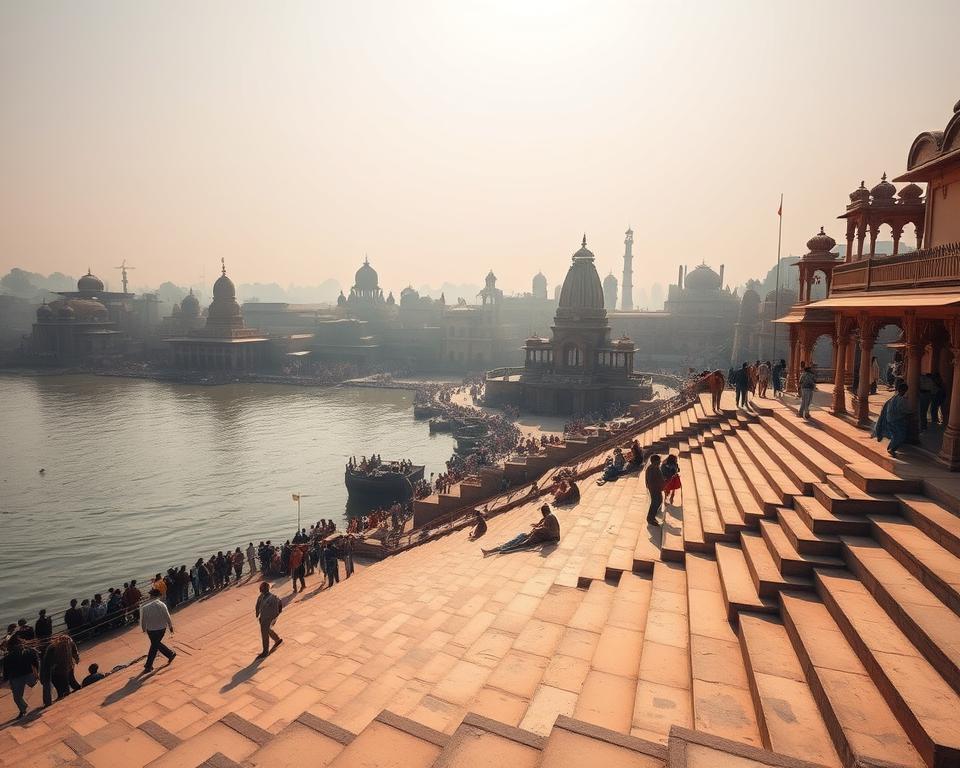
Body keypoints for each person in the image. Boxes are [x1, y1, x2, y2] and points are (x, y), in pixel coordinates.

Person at [481, 504, 560, 556]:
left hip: (549, 537)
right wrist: (536, 525)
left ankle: (501, 550)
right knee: (520, 537)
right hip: (543, 535)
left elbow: (545, 528)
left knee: (521, 544)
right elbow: (543, 524)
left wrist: (536, 529)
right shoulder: (549, 516)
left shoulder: (549, 517)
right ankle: (495, 549)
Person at [2, 635, 39, 719]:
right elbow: (35, 662)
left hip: (16, 677)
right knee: (34, 683)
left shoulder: (8, 656)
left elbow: (6, 669)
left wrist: (6, 680)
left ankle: (23, 709)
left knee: (17, 697)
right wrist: (37, 672)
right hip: (28, 674)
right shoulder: (28, 651)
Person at [140, 588, 176, 673]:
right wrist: (170, 627)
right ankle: (170, 654)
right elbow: (167, 616)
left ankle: (148, 666)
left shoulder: (145, 607)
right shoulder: (162, 605)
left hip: (151, 630)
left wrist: (143, 628)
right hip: (161, 629)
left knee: (154, 645)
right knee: (155, 644)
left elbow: (143, 620)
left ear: (152, 596)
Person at [41, 634, 81, 705]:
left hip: (59, 668)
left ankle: (63, 694)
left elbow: (48, 661)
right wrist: (76, 658)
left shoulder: (52, 647)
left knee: (60, 682)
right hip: (69, 665)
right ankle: (74, 688)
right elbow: (75, 651)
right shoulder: (69, 642)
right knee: (70, 679)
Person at [874, 381, 910, 457]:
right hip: (895, 420)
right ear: (903, 391)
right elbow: (901, 410)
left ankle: (892, 448)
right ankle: (891, 448)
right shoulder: (900, 399)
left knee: (896, 435)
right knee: (900, 435)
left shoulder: (895, 397)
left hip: (891, 419)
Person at [254, 582, 283, 658]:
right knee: (267, 630)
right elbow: (257, 605)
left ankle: (265, 651)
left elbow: (279, 605)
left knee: (264, 634)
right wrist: (257, 613)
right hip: (263, 618)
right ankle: (277, 639)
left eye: (261, 589)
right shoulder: (261, 596)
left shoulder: (272, 597)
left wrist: (274, 617)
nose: (261, 590)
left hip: (268, 618)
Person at [646, 454, 665, 524]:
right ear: (654, 462)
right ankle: (650, 518)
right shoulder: (651, 469)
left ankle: (652, 516)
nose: (660, 462)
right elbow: (651, 481)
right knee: (655, 503)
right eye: (658, 462)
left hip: (657, 489)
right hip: (654, 489)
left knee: (659, 501)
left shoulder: (655, 467)